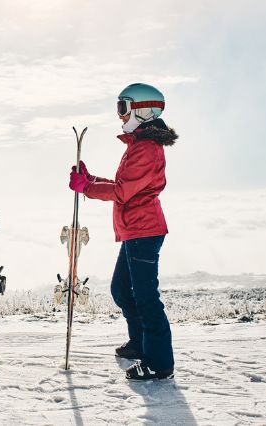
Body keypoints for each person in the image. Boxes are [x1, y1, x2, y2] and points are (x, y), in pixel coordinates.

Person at [68, 83, 178, 381]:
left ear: (143, 110)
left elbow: (123, 192)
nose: (120, 115)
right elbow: (124, 185)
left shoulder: (146, 148)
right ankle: (140, 343)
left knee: (145, 297)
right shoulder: (139, 146)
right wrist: (90, 179)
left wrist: (87, 188)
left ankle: (158, 363)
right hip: (135, 230)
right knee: (122, 290)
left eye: (123, 108)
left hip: (144, 230)